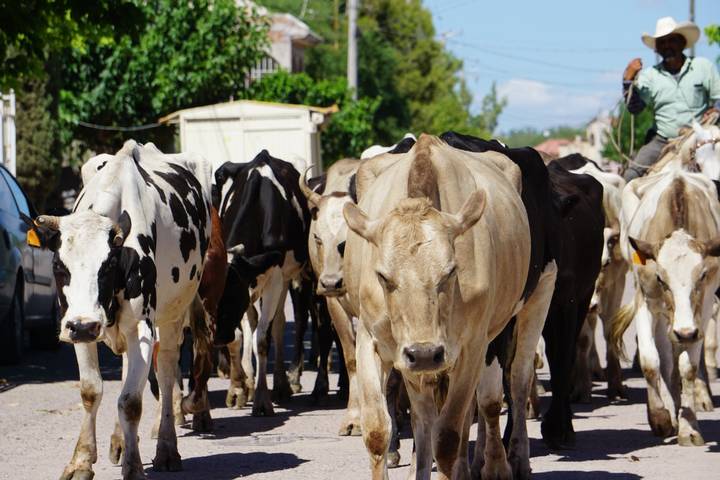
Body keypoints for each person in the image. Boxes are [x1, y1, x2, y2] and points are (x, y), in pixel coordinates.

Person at [622, 16, 720, 181]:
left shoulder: (703, 66)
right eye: (662, 42)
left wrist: (717, 109)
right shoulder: (649, 76)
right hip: (663, 140)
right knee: (630, 176)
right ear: (656, 49)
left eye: (672, 40)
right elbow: (635, 108)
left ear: (682, 43)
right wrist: (627, 81)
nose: (667, 46)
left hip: (701, 136)